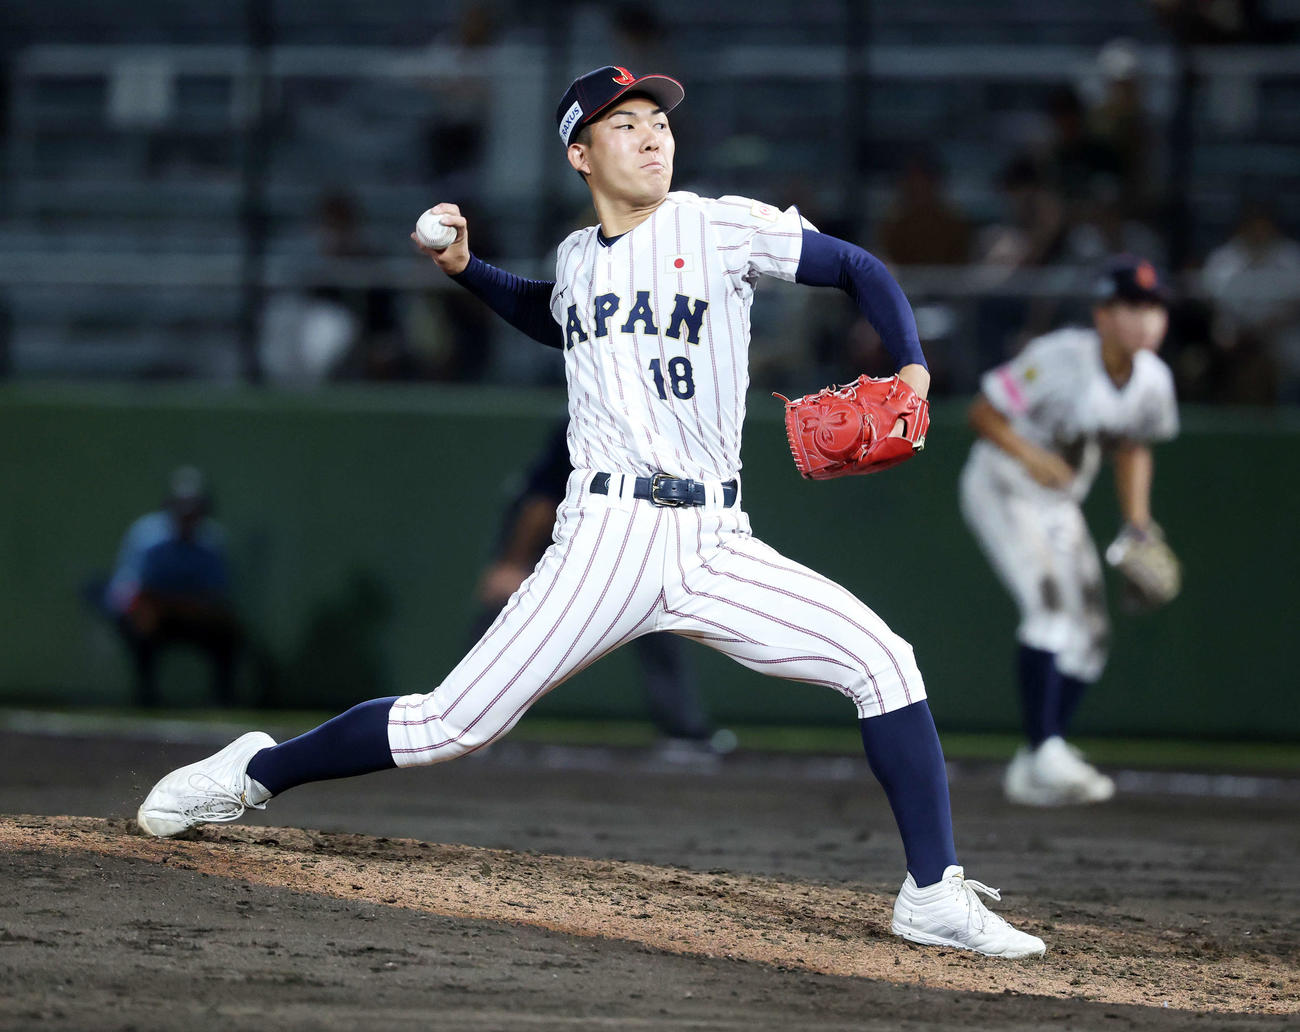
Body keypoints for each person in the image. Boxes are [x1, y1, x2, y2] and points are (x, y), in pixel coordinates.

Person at [137, 65, 1045, 959]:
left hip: (715, 541)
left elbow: (855, 265)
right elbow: (555, 312)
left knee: (884, 662)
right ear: (580, 153)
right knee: (449, 726)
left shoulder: (718, 226)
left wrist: (914, 368)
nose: (653, 135)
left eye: (660, 121)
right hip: (604, 541)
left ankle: (933, 896)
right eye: (625, 124)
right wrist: (465, 269)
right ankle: (252, 772)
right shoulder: (576, 257)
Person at [958, 255, 1179, 807]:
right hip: (1003, 486)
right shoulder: (1060, 357)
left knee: (1092, 637)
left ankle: (1037, 761)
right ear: (1103, 315)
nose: (1147, 318)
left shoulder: (1153, 380)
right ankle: (1047, 748)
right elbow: (983, 413)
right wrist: (1029, 455)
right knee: (1050, 611)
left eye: (1154, 307)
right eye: (1132, 306)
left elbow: (1132, 447)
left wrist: (1137, 522)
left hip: (1058, 503)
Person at [470, 420, 733, 757]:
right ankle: (470, 722)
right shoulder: (586, 424)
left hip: (622, 535)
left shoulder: (654, 429)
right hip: (566, 537)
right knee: (505, 620)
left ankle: (683, 731)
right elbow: (541, 503)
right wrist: (513, 562)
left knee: (657, 616)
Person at [103, 466, 241, 707]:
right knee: (140, 626)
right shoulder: (148, 537)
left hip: (190, 615)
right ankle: (146, 697)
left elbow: (216, 595)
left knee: (228, 634)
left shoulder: (211, 542)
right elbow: (129, 590)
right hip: (152, 614)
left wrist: (187, 606)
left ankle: (223, 699)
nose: (187, 517)